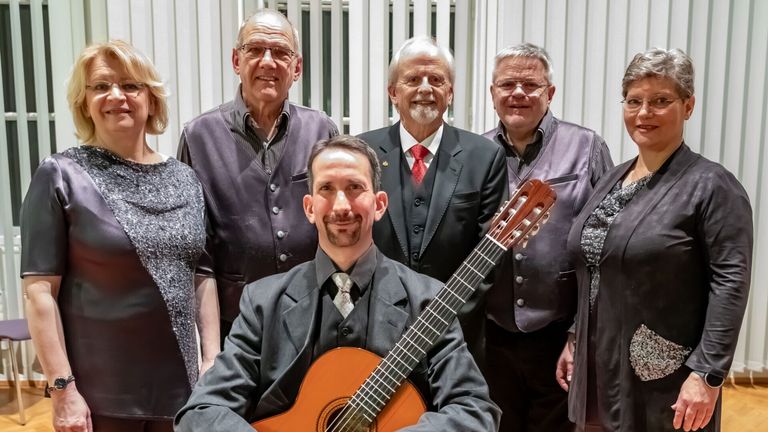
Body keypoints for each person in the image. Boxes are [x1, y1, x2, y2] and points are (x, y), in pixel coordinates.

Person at [174, 135, 500, 431]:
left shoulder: (428, 300)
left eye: (355, 188)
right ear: (310, 208)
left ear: (379, 204)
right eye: (327, 189)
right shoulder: (262, 302)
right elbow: (201, 410)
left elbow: (474, 410)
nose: (342, 206)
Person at [20, 40, 219, 432]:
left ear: (151, 98)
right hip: (98, 396)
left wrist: (212, 359)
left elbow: (202, 275)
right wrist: (63, 391)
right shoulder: (60, 175)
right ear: (85, 102)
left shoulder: (186, 178)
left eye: (130, 85)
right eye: (100, 86)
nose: (116, 97)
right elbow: (39, 292)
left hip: (182, 389)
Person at [556, 48, 752, 432]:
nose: (644, 112)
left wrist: (707, 374)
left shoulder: (712, 186)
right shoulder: (613, 178)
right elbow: (593, 267)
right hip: (597, 366)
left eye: (661, 101)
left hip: (665, 379)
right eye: (634, 101)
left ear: (688, 105)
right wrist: (575, 337)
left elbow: (730, 284)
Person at [177, 9, 338, 343]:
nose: (268, 61)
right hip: (234, 325)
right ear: (237, 60)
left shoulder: (322, 129)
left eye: (281, 53)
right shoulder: (198, 136)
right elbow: (196, 251)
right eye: (255, 50)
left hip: (312, 320)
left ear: (298, 67)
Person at [482, 43, 613, 432]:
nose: (518, 93)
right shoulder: (475, 151)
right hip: (494, 333)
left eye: (530, 84)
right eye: (507, 84)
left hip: (557, 331)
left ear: (550, 93)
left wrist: (578, 334)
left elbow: (603, 245)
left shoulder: (587, 146)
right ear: (492, 94)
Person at [358, 36, 507, 361]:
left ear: (450, 93)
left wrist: (440, 321)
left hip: (456, 340)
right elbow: (349, 240)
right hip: (374, 334)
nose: (426, 88)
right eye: (413, 79)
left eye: (437, 80)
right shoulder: (360, 154)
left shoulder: (485, 157)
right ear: (393, 92)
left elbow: (490, 257)